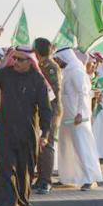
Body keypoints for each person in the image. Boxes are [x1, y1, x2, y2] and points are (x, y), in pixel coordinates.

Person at [0, 46, 52, 206]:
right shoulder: (6, 74)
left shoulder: (38, 80)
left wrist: (45, 133)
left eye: (20, 59)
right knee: (6, 167)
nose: (16, 62)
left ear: (30, 62)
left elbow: (45, 109)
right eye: (15, 58)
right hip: (6, 130)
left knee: (24, 170)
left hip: (27, 131)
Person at [53, 47, 103, 190]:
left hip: (77, 118)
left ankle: (89, 178)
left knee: (83, 147)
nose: (57, 62)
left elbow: (83, 93)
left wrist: (80, 113)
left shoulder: (76, 71)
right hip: (66, 116)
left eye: (58, 59)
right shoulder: (68, 71)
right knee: (65, 147)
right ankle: (67, 178)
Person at [32, 38, 61, 195]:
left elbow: (53, 92)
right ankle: (40, 177)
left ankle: (46, 180)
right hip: (41, 109)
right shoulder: (42, 65)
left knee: (47, 144)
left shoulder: (50, 66)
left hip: (51, 109)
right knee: (40, 145)